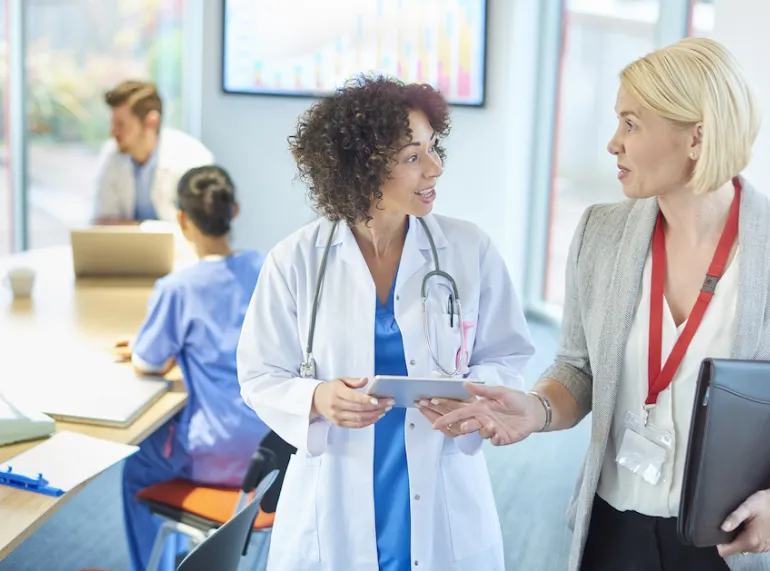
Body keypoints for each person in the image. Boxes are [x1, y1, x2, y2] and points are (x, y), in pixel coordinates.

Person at [433, 38, 770, 571]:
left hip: (733, 544)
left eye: (630, 123)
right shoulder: (600, 232)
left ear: (696, 136)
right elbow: (577, 367)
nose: (612, 144)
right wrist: (537, 409)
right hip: (613, 532)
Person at [236, 75, 535, 571]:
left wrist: (474, 397)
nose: (435, 168)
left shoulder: (468, 249)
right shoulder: (295, 260)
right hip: (336, 481)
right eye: (413, 157)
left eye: (433, 148)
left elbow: (507, 354)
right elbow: (260, 374)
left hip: (439, 478)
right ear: (362, 168)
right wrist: (316, 397)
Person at [114, 165, 270, 571]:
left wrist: (143, 348)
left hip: (216, 455)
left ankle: (157, 567)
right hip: (274, 453)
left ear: (182, 219)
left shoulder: (177, 288)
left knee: (137, 466)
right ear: (234, 210)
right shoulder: (265, 268)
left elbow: (147, 362)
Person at [92, 80, 214, 225]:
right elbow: (102, 222)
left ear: (151, 122)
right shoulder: (112, 154)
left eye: (121, 124)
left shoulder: (193, 158)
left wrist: (134, 227)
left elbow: (199, 229)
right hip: (127, 248)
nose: (112, 133)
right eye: (112, 123)